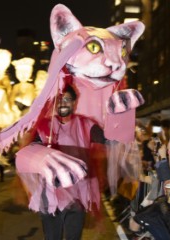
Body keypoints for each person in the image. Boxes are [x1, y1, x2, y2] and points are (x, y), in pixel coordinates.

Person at [19, 84, 106, 240]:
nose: (63, 103)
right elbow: (30, 152)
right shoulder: (43, 126)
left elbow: (107, 139)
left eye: (67, 99)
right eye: (58, 99)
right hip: (50, 194)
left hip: (76, 195)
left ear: (74, 102)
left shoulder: (86, 124)